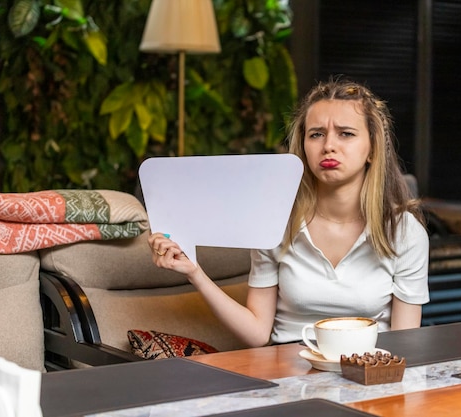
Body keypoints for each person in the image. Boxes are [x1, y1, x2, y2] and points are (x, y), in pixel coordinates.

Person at [148, 78, 429, 347]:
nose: (328, 145)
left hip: (365, 373)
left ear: (372, 149)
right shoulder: (274, 221)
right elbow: (257, 332)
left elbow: (404, 345)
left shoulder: (404, 232)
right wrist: (194, 273)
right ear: (304, 146)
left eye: (346, 134)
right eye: (316, 134)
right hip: (286, 371)